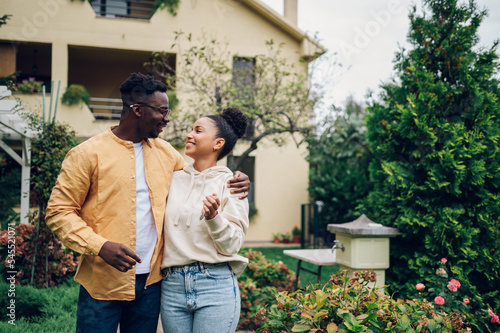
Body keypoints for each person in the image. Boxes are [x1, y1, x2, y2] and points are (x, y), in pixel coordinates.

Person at [45, 73, 250, 333]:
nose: (167, 118)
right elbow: (58, 212)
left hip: (152, 286)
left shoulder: (167, 155)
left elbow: (201, 174)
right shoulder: (86, 154)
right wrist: (100, 246)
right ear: (138, 110)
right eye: (162, 111)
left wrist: (238, 179)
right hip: (102, 282)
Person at [160, 107, 249, 333]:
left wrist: (214, 218)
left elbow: (233, 245)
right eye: (191, 130)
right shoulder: (172, 178)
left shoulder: (232, 184)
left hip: (215, 285)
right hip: (172, 286)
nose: (190, 135)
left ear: (217, 143)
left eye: (198, 131)